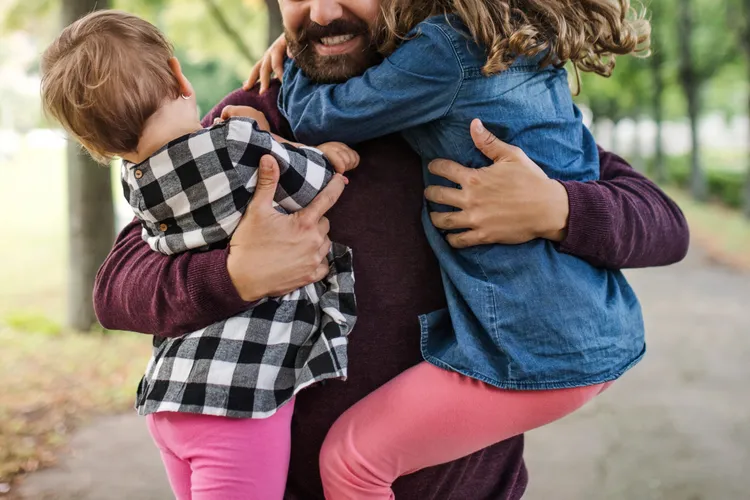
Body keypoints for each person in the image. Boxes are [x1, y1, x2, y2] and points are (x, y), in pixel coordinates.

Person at [94, 2, 690, 499]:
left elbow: (665, 224)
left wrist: (558, 209)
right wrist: (235, 274)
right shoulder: (258, 115)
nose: (321, 13)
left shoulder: (487, 100)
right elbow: (119, 284)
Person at [248, 1, 651, 497]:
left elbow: (315, 118)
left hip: (534, 341)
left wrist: (295, 56)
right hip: (585, 328)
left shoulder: (444, 50)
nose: (325, 12)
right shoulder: (504, 44)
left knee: (353, 462)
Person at [40, 11, 360, 499]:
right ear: (179, 75)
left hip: (173, 392)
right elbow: (314, 182)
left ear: (92, 142)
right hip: (237, 397)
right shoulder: (235, 141)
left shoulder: (138, 186)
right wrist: (317, 152)